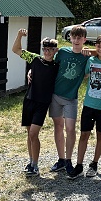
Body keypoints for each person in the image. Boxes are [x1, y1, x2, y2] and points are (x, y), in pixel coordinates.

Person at [12, 30, 59, 176]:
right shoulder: (35, 59)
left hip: (42, 103)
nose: (47, 52)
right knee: (29, 134)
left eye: (50, 49)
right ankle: (31, 162)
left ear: (55, 50)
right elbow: (16, 49)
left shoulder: (57, 65)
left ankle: (36, 166)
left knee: (33, 133)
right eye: (45, 49)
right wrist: (19, 35)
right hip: (29, 100)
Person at [73, 34, 101, 178]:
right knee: (84, 134)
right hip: (89, 104)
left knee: (100, 134)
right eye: (98, 46)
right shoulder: (91, 61)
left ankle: (94, 163)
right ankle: (79, 165)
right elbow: (84, 74)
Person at [49, 25, 90, 174]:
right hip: (55, 95)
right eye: (74, 37)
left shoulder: (87, 57)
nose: (77, 40)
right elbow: (48, 63)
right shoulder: (62, 52)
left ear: (84, 39)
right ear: (70, 38)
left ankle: (68, 160)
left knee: (70, 128)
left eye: (80, 38)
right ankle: (61, 159)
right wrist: (31, 71)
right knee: (58, 126)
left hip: (71, 98)